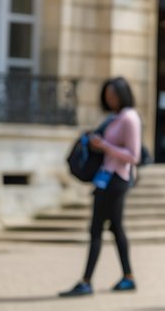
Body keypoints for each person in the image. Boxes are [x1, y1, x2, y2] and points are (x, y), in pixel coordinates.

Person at [59, 77, 142, 297]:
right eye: (107, 95)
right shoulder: (114, 117)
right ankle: (128, 276)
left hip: (116, 179)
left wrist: (104, 145)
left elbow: (134, 156)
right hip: (106, 178)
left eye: (113, 95)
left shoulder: (129, 118)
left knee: (97, 229)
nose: (109, 99)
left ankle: (86, 281)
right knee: (115, 228)